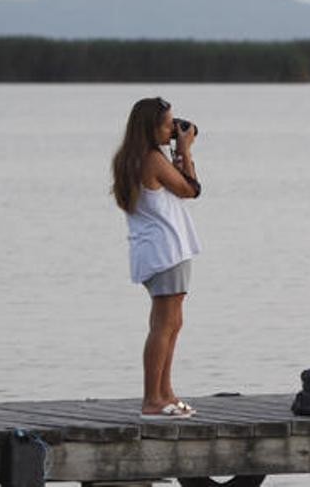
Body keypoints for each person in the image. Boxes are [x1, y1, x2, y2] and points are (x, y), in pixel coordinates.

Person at [111, 97, 202, 419]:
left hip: (155, 249)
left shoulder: (130, 157)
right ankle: (153, 399)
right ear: (150, 127)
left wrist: (177, 151)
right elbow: (191, 190)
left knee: (170, 323)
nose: (172, 129)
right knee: (165, 325)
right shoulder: (151, 159)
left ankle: (165, 393)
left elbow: (177, 188)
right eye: (167, 124)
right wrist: (186, 150)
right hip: (166, 250)